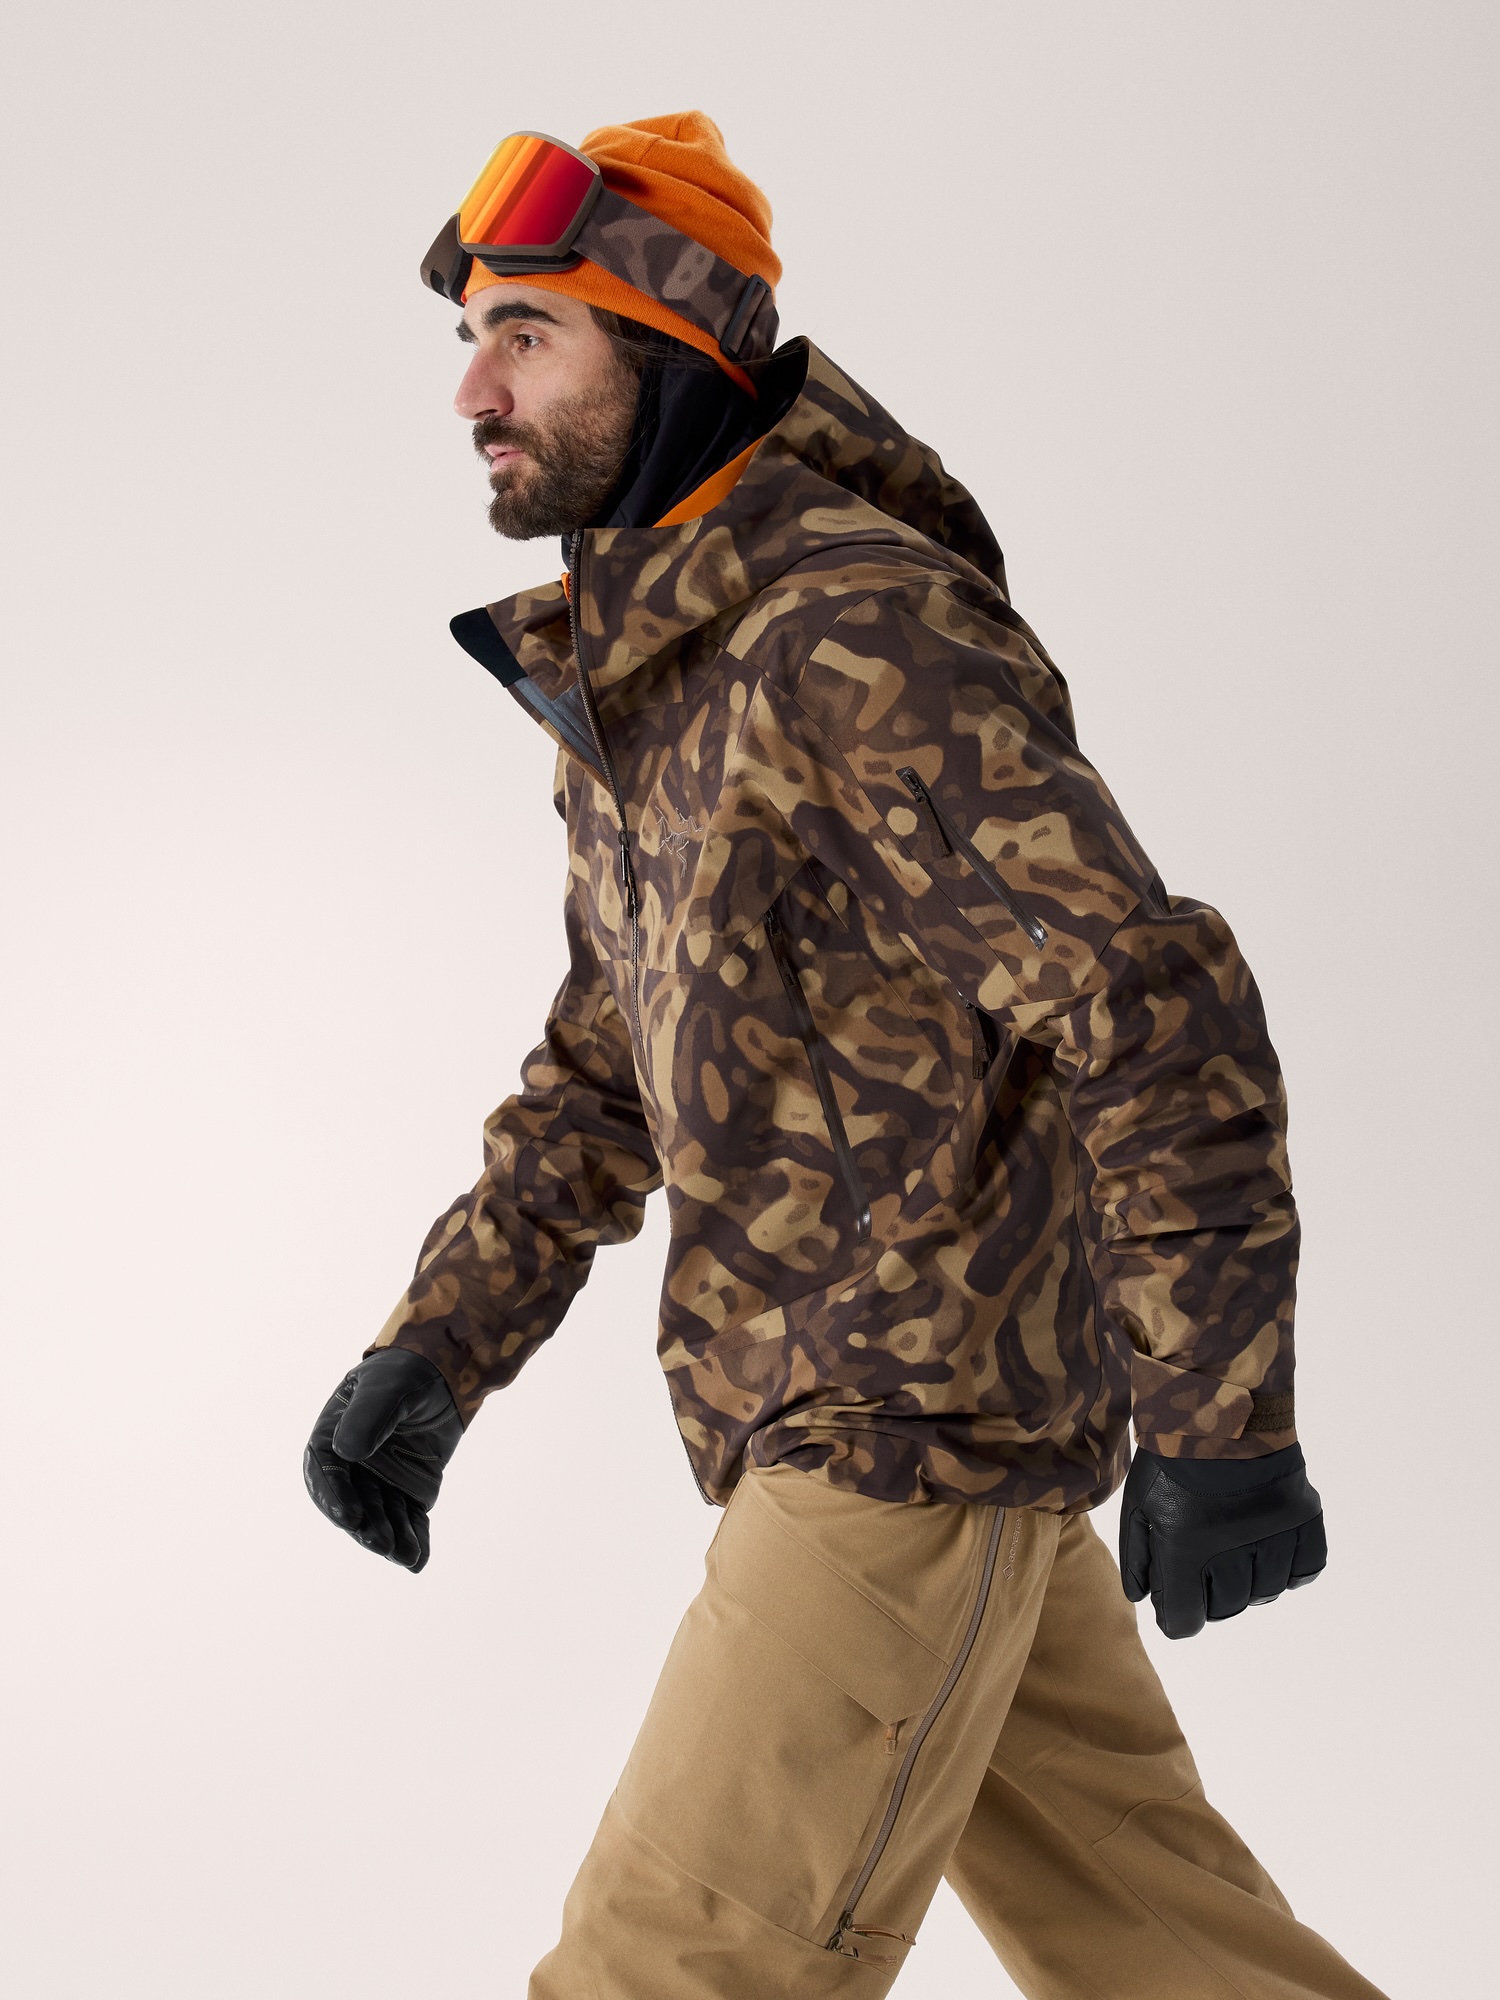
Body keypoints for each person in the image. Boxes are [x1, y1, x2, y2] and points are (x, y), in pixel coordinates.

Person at [303, 113, 1386, 1999]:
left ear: (672, 341)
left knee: (665, 1970)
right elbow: (609, 1055)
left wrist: (1226, 1425)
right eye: (471, 341)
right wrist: (437, 1347)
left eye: (528, 336)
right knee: (1177, 1962)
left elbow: (1149, 1002)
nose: (474, 392)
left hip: (896, 1439)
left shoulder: (852, 632)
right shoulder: (660, 666)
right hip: (890, 1424)